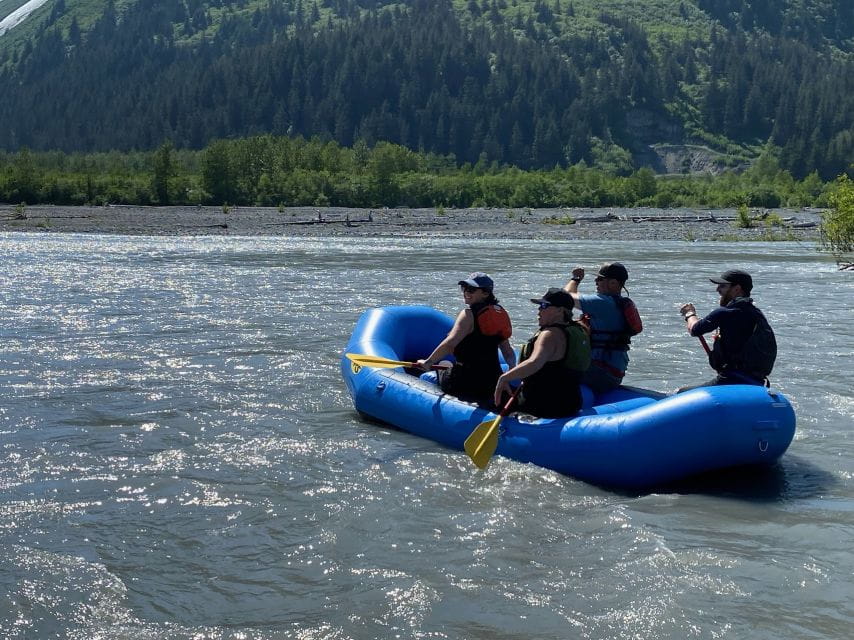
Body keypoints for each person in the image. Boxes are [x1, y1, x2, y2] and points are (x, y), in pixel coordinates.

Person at [417, 272, 516, 404]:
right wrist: (510, 373)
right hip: (492, 379)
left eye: (471, 290)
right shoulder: (498, 315)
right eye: (464, 288)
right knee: (445, 365)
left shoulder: (468, 314)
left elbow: (450, 343)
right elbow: (508, 351)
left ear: (485, 293)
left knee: (430, 373)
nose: (466, 292)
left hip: (466, 381)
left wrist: (428, 362)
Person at [494, 288, 591, 418]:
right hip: (571, 403)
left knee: (491, 398)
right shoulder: (580, 330)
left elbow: (534, 362)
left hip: (543, 406)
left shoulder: (549, 335)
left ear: (560, 310)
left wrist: (504, 378)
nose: (539, 310)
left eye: (544, 306)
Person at [679, 269, 777, 390]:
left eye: (722, 286)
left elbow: (695, 329)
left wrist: (689, 313)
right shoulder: (756, 313)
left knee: (681, 392)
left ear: (737, 289)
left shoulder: (726, 312)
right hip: (756, 380)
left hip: (732, 378)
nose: (717, 289)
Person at [562, 262, 642, 393]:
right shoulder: (618, 303)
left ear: (613, 283)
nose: (595, 281)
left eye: (600, 279)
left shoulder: (603, 302)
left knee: (549, 368)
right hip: (613, 371)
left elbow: (565, 297)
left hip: (601, 373)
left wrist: (576, 279)